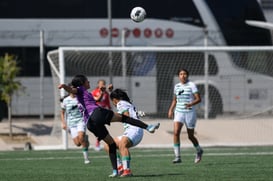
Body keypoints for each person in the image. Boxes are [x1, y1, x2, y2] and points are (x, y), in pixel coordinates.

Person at [58, 74, 160, 177]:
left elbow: (96, 100)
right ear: (82, 83)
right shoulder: (80, 89)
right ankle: (148, 127)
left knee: (110, 144)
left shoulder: (85, 94)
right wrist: (64, 86)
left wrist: (102, 92)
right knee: (124, 118)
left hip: (90, 124)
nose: (89, 82)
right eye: (87, 81)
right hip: (96, 113)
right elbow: (72, 90)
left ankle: (115, 171)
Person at [104, 89, 144, 177]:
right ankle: (120, 167)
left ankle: (127, 171)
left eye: (112, 101)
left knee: (123, 143)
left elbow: (126, 116)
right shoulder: (125, 103)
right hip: (131, 130)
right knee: (108, 145)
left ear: (114, 99)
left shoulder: (120, 103)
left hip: (135, 129)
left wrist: (110, 118)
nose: (113, 104)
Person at [168, 68, 203, 164]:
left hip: (189, 113)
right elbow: (175, 100)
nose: (183, 75)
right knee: (176, 132)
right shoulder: (177, 86)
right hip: (179, 112)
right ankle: (177, 157)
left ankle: (199, 150)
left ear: (187, 75)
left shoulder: (192, 85)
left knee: (190, 136)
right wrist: (171, 109)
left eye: (184, 74)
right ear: (178, 76)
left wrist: (190, 104)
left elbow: (198, 99)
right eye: (181, 74)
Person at [60, 87, 90, 164]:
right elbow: (62, 112)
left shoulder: (80, 99)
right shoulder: (66, 100)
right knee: (78, 143)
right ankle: (85, 139)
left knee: (81, 136)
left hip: (81, 121)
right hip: (72, 124)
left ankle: (86, 159)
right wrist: (63, 123)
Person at [91, 79, 113, 151]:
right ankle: (98, 142)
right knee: (99, 127)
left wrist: (110, 109)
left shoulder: (106, 93)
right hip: (96, 111)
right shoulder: (94, 92)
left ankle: (100, 142)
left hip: (103, 112)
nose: (102, 85)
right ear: (98, 84)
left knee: (101, 128)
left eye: (103, 84)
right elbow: (93, 101)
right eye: (101, 84)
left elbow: (107, 102)